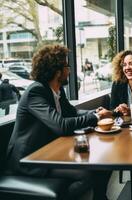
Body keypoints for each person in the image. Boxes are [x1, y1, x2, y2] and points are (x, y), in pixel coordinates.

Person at [6, 44, 112, 200]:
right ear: (58, 72)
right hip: (29, 160)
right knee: (87, 174)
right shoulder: (35, 92)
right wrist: (95, 118)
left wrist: (96, 112)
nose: (69, 71)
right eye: (67, 67)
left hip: (49, 152)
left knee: (103, 164)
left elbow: (73, 113)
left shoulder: (56, 90)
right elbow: (61, 125)